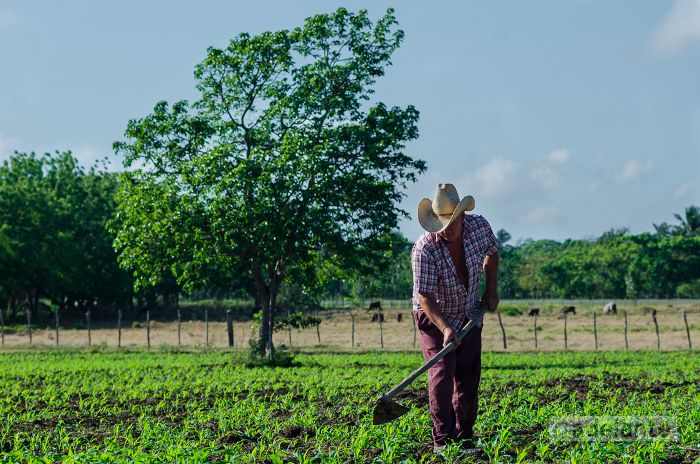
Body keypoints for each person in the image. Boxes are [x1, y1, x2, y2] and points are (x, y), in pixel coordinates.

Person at [411, 183, 500, 452]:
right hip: (434, 314)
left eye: (450, 222)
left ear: (462, 216)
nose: (444, 229)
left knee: (468, 374)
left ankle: (465, 437)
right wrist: (446, 328)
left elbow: (492, 253)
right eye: (439, 223)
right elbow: (425, 296)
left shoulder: (480, 228)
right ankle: (442, 441)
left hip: (468, 311)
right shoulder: (424, 248)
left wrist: (491, 290)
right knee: (442, 371)